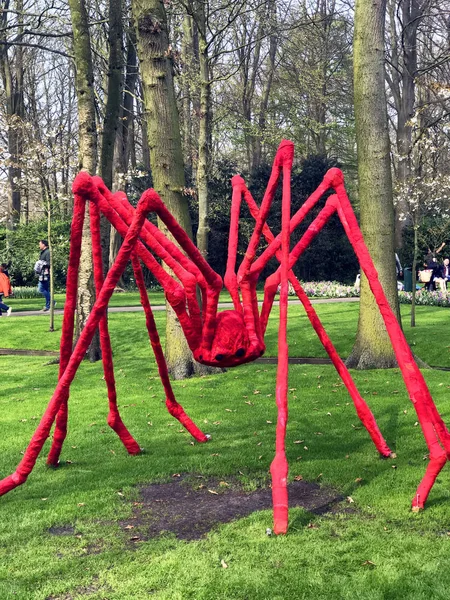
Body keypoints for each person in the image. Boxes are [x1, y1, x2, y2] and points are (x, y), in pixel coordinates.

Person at [36, 239, 51, 311]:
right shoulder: (43, 252)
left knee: (41, 289)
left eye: (40, 244)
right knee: (45, 290)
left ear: (44, 244)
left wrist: (41, 264)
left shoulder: (47, 252)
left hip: (45, 274)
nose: (39, 245)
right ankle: (48, 306)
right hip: (42, 273)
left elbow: (49, 263)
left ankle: (51, 302)